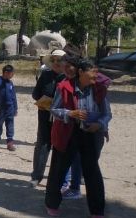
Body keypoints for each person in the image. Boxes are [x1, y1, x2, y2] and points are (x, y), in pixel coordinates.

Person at [45, 58, 111, 218]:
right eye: (92, 73)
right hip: (68, 132)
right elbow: (54, 109)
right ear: (81, 72)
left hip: (90, 133)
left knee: (92, 171)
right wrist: (70, 113)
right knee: (59, 169)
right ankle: (52, 204)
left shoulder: (99, 89)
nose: (96, 77)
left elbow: (107, 113)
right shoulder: (65, 87)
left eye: (97, 73)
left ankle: (97, 210)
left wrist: (100, 124)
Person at [30, 49, 67, 186]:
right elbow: (35, 94)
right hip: (45, 115)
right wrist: (43, 101)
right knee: (42, 145)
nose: (56, 63)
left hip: (63, 118)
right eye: (53, 60)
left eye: (59, 60)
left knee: (61, 147)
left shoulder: (69, 77)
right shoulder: (45, 76)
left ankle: (57, 179)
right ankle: (36, 176)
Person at [0, 64, 18, 151]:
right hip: (0, 108)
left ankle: (10, 143)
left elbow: (13, 96)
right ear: (6, 73)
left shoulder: (10, 83)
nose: (12, 75)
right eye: (11, 73)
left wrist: (15, 108)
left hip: (10, 108)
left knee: (10, 125)